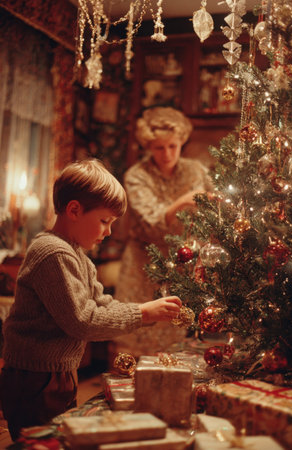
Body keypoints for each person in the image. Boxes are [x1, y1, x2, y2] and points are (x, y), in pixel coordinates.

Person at [0, 159, 182, 441]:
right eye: (104, 221)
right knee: (40, 443)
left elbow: (101, 304)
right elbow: (83, 321)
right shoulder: (53, 253)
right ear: (74, 210)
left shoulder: (77, 256)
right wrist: (142, 314)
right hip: (34, 378)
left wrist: (146, 310)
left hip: (58, 372)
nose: (108, 232)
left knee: (63, 437)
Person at [112, 106, 213, 358]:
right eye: (159, 147)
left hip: (181, 264)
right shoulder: (136, 175)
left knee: (173, 341)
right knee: (133, 340)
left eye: (173, 146)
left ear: (182, 143)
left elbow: (213, 208)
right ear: (148, 146)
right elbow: (150, 223)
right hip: (142, 265)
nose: (167, 153)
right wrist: (184, 201)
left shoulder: (196, 170)